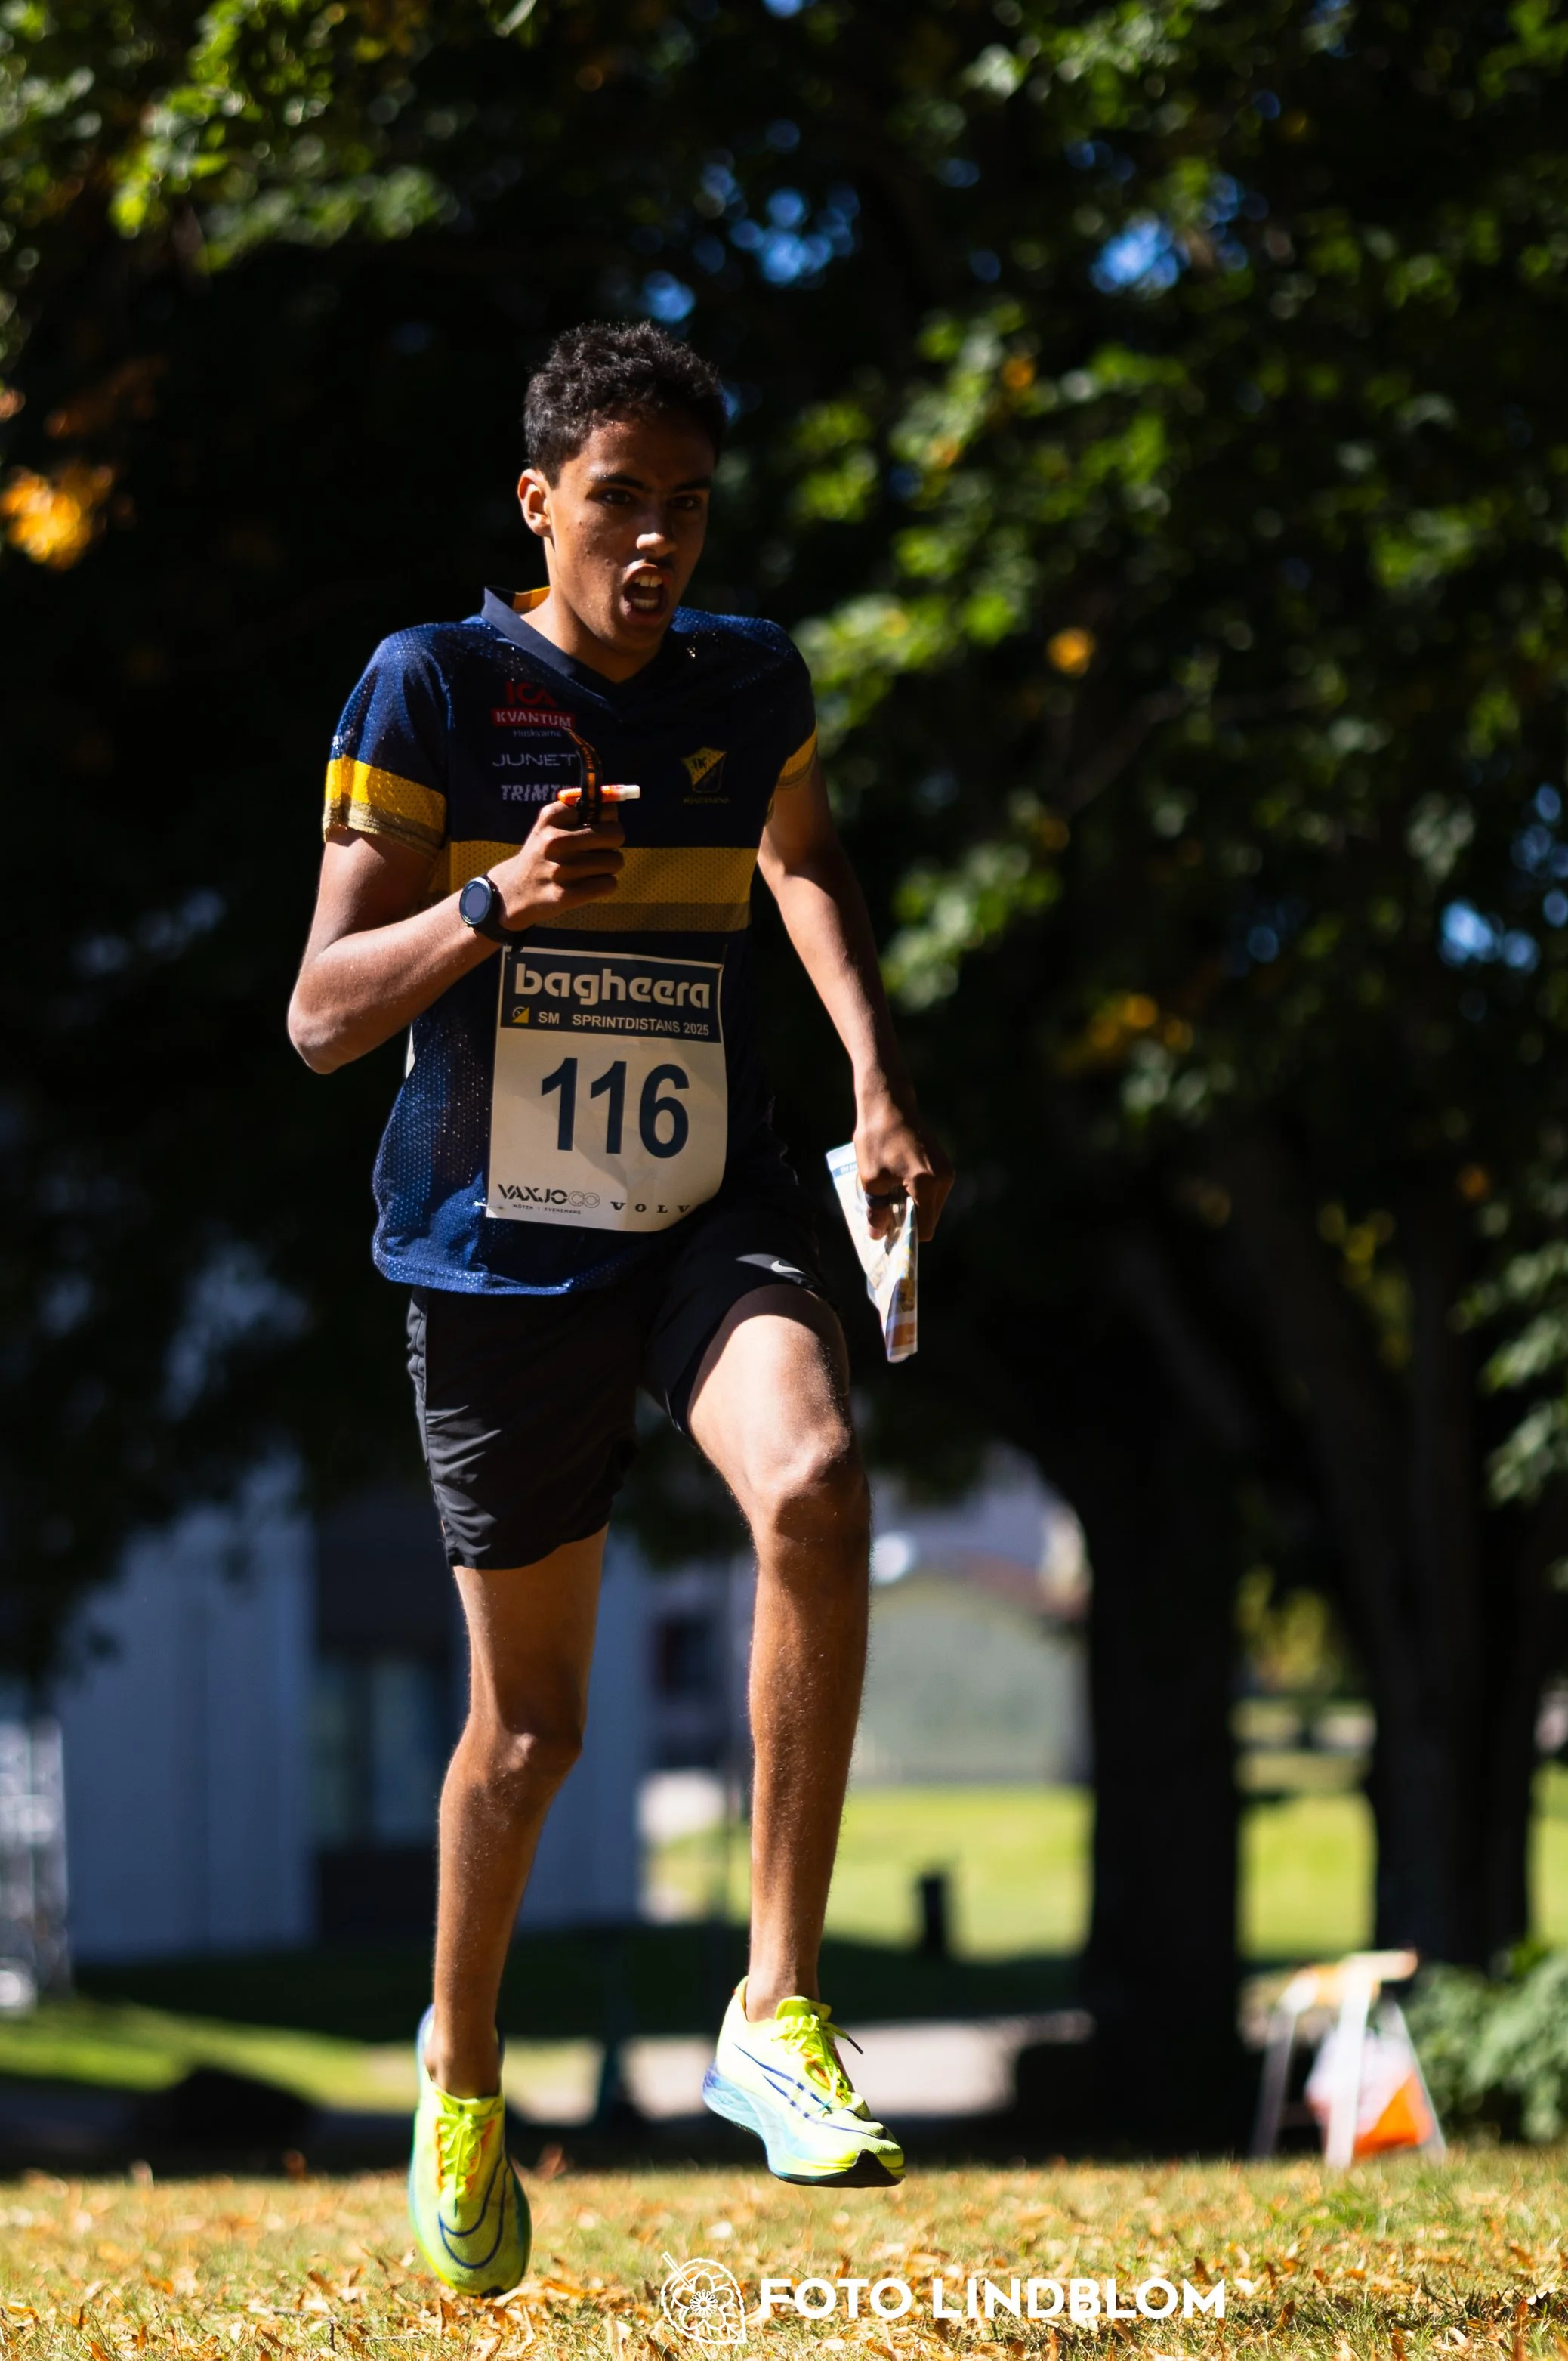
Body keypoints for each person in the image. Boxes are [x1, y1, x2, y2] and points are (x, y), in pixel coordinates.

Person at [287, 319, 951, 2293]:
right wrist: (494, 902)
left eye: (686, 506)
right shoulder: (436, 686)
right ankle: (464, 2071)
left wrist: (870, 1077)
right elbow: (321, 1016)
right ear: (536, 503)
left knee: (818, 1480)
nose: (654, 542)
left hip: (697, 1215)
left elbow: (802, 853)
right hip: (492, 1257)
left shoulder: (747, 681)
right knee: (530, 1732)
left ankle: (772, 2004)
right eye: (615, 503)